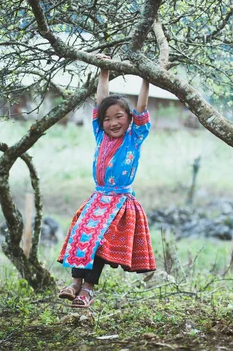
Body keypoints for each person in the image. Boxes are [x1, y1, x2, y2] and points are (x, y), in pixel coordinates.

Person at [57, 54, 156, 308]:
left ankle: (87, 290)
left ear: (129, 118)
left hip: (120, 202)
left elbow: (142, 107)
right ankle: (75, 283)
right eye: (107, 118)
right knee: (82, 234)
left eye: (119, 117)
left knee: (100, 242)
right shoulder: (101, 136)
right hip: (97, 198)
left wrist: (146, 78)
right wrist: (104, 71)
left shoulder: (134, 137)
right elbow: (101, 100)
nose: (113, 122)